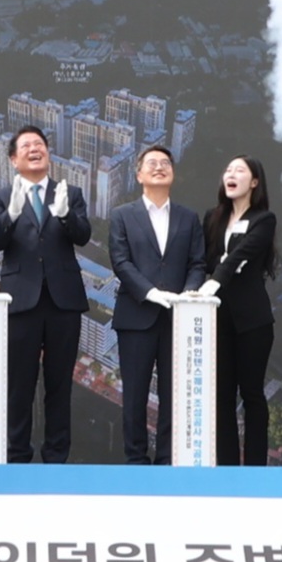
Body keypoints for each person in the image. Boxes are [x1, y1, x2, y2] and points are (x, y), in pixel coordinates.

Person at [0, 125, 93, 463]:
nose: (35, 149)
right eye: (26, 146)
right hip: (21, 301)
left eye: (40, 144)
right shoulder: (1, 197)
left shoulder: (70, 192)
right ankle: (17, 456)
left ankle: (56, 457)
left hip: (63, 302)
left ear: (48, 153)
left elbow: (83, 235)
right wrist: (12, 213)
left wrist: (66, 214)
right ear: (13, 160)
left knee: (59, 384)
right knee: (20, 385)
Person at [106, 145, 207, 464]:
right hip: (136, 315)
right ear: (139, 175)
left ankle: (167, 459)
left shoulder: (188, 217)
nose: (159, 167)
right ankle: (136, 460)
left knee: (174, 394)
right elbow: (120, 262)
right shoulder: (122, 215)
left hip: (177, 319)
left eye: (165, 163)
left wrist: (188, 293)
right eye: (152, 163)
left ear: (173, 174)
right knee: (135, 394)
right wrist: (150, 292)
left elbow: (198, 263)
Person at [204, 155, 280, 466]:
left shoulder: (264, 219)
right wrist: (211, 275)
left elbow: (243, 253)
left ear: (255, 182)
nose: (231, 175)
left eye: (240, 171)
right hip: (218, 319)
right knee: (222, 395)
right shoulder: (213, 217)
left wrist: (218, 277)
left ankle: (255, 467)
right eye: (228, 170)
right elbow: (205, 258)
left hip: (253, 321)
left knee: (252, 394)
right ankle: (227, 466)